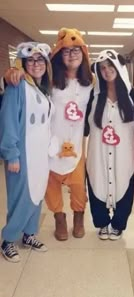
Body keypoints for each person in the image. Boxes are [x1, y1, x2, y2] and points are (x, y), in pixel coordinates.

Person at [5, 28, 94, 241]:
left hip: (76, 145)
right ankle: (59, 218)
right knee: (50, 184)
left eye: (76, 50)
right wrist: (12, 73)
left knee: (78, 185)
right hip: (49, 144)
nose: (71, 55)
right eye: (66, 51)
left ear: (83, 54)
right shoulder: (49, 82)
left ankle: (79, 217)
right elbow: (27, 85)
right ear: (58, 55)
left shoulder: (91, 83)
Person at [0, 42, 52, 262]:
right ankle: (8, 240)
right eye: (30, 60)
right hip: (22, 156)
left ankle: (29, 234)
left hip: (40, 155)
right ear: (23, 63)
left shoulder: (42, 89)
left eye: (40, 59)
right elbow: (8, 121)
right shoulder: (17, 86)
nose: (36, 64)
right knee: (20, 198)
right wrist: (11, 154)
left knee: (37, 194)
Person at [85, 50, 134, 240]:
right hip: (97, 152)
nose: (107, 71)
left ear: (119, 66)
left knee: (124, 184)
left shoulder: (133, 95)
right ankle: (102, 222)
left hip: (124, 153)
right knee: (97, 183)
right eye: (102, 68)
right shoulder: (93, 96)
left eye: (110, 66)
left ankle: (118, 223)